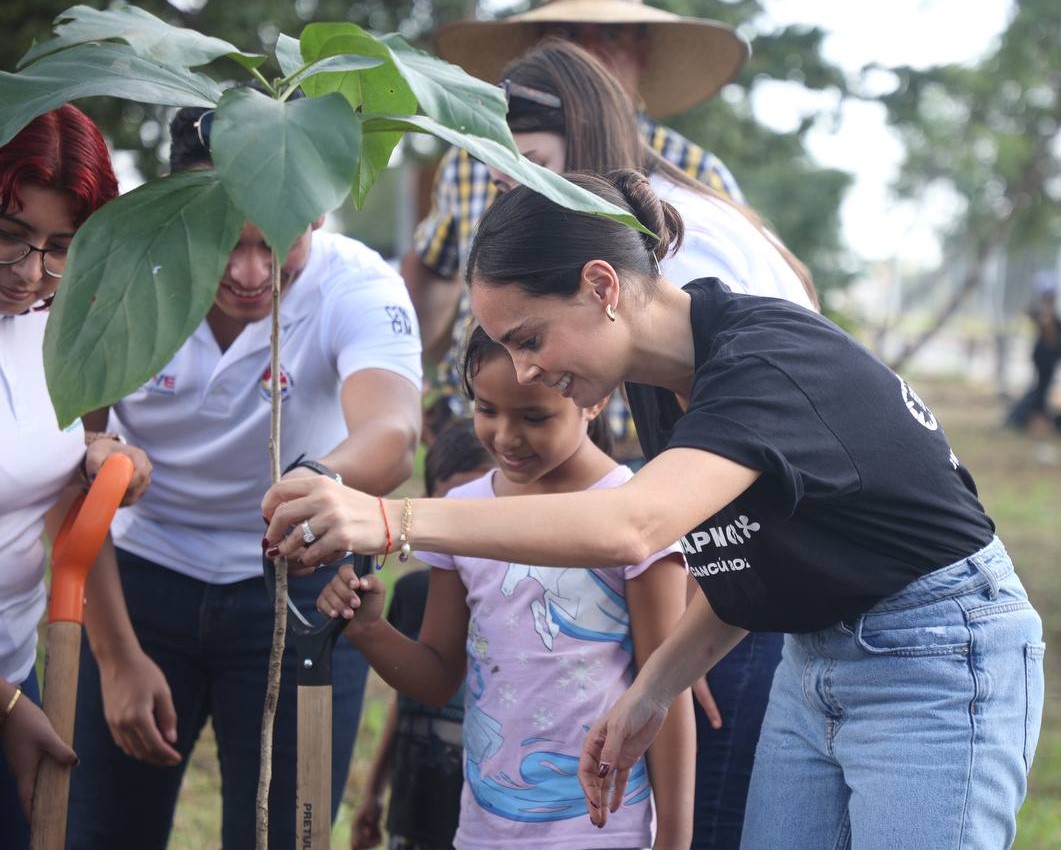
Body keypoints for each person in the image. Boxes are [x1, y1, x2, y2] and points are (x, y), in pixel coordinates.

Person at [263, 170, 1045, 850]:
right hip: (814, 656)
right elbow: (758, 563)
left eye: (529, 337)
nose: (526, 368)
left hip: (938, 655)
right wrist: (651, 691)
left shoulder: (761, 364)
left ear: (603, 287)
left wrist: (393, 519)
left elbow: (630, 525)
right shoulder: (668, 384)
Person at [484, 38, 815, 848]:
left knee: (709, 821)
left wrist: (695, 629)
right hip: (728, 557)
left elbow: (758, 438)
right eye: (497, 176)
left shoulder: (675, 249)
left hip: (757, 561)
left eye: (527, 167)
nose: (509, 195)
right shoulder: (649, 226)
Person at [65, 102, 423, 849]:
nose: (250, 273)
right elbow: (75, 467)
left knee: (286, 833)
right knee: (99, 828)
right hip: (140, 577)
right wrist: (116, 655)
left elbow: (392, 435)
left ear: (318, 214)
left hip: (303, 588)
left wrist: (311, 485)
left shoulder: (358, 284)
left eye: (276, 241)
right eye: (223, 239)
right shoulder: (119, 274)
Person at [316, 324, 693, 849]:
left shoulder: (635, 513)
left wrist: (674, 837)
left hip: (605, 830)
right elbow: (438, 677)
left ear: (592, 396)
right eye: (487, 409)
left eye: (534, 416)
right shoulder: (458, 516)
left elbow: (668, 692)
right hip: (486, 828)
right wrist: (370, 630)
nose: (506, 437)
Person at [407, 0, 750, 430]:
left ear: (643, 50)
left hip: (648, 445)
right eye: (569, 35)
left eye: (609, 35)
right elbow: (431, 266)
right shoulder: (469, 160)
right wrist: (418, 377)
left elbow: (726, 351)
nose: (588, 49)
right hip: (488, 429)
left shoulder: (696, 183)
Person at [0, 105, 156, 849]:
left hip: (15, 664)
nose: (32, 273)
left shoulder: (58, 319)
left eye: (61, 248)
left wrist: (107, 459)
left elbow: (66, 466)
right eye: (9, 238)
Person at [351, 419, 492, 850]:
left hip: (486, 811)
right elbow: (409, 692)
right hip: (416, 807)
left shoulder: (518, 601)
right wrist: (374, 791)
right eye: (450, 509)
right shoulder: (414, 593)